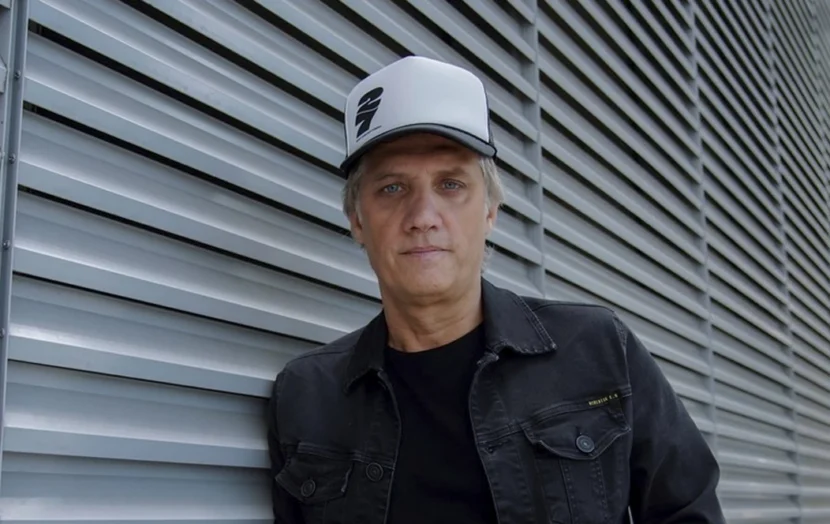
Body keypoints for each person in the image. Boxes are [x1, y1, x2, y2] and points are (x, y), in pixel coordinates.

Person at [266, 55, 725, 524]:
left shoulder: (599, 350)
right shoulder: (307, 396)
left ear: (490, 211)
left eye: (450, 184)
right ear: (357, 220)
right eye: (392, 188)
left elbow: (689, 512)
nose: (423, 217)